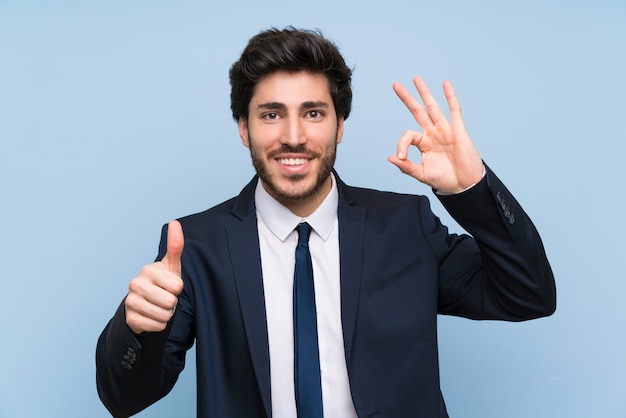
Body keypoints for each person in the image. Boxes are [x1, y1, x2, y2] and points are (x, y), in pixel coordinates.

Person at [96, 27, 556, 418]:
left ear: (339, 126)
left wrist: (470, 188)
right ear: (244, 128)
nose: (293, 137)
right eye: (271, 114)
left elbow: (528, 294)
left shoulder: (405, 225)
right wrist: (137, 327)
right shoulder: (195, 247)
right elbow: (124, 399)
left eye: (313, 113)